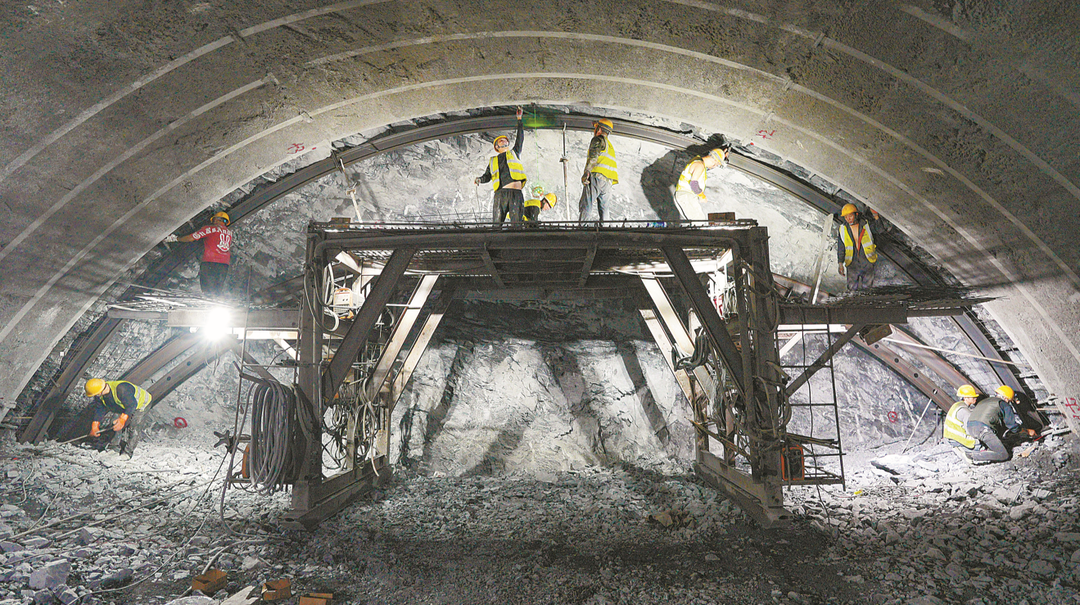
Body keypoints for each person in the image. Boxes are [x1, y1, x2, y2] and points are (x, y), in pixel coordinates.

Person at [952, 384, 1037, 463]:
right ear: (1006, 399)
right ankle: (970, 456)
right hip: (982, 429)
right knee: (1003, 455)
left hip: (971, 427)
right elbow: (1012, 426)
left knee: (996, 439)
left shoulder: (986, 401)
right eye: (1009, 401)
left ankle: (987, 449)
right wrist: (1027, 431)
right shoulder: (1003, 404)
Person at [475, 107, 527, 226]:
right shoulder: (493, 161)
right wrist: (479, 180)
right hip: (501, 194)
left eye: (504, 139)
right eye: (500, 140)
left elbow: (520, 139)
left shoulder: (515, 153)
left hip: (515, 193)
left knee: (517, 224)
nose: (503, 140)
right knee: (497, 224)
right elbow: (487, 176)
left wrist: (519, 120)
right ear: (497, 147)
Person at [165, 211, 233, 297]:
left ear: (216, 219)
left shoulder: (210, 229)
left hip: (210, 262)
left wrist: (176, 238)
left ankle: (208, 300)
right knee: (217, 289)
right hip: (224, 264)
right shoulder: (229, 233)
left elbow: (191, 238)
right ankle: (214, 302)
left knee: (206, 288)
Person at [84, 378, 152, 457]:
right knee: (114, 423)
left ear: (100, 391)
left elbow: (132, 405)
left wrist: (122, 419)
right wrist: (95, 424)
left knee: (134, 427)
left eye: (95, 394)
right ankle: (114, 447)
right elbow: (100, 409)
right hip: (123, 404)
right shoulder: (99, 395)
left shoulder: (122, 389)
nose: (95, 396)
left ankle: (128, 452)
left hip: (141, 403)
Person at [578, 118, 618, 223]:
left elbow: (593, 157)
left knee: (587, 204)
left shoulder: (598, 139)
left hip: (597, 178)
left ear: (599, 129)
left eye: (595, 128)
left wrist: (586, 172)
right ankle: (605, 230)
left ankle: (582, 229)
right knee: (604, 210)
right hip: (608, 182)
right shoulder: (610, 146)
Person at [673, 147, 729, 222]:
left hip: (683, 195)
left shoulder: (698, 161)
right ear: (714, 161)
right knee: (699, 221)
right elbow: (693, 184)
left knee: (694, 221)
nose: (715, 166)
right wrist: (702, 196)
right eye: (716, 164)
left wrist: (722, 155)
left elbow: (707, 167)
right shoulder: (700, 165)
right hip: (686, 195)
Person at [836, 203, 878, 292]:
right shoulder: (843, 229)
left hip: (867, 261)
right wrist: (840, 263)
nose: (848, 219)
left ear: (856, 214)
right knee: (851, 290)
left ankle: (865, 304)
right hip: (852, 263)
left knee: (867, 290)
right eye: (846, 217)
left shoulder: (866, 225)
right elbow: (841, 247)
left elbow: (880, 229)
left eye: (850, 216)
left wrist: (876, 215)